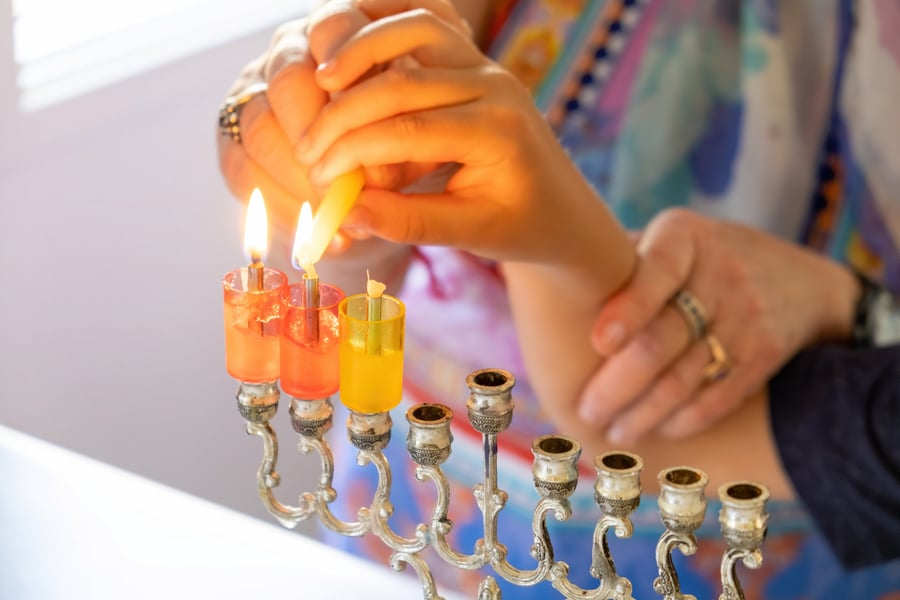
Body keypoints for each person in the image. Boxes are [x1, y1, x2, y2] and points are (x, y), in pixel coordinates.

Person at [216, 0, 900, 597]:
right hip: (420, 506)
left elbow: (613, 415)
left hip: (773, 522)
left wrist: (851, 305)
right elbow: (352, 249)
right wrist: (301, 144)